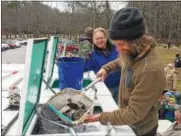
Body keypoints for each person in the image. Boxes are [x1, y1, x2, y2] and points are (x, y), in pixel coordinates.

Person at [84, 7, 166, 136]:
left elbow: (134, 113)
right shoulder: (136, 52)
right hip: (130, 122)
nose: (117, 49)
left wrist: (100, 117)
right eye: (115, 43)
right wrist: (106, 68)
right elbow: (122, 61)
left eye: (120, 44)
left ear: (135, 41)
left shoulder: (149, 70)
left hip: (141, 130)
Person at [84, 27, 121, 103]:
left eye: (101, 38)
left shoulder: (117, 49)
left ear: (106, 38)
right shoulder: (92, 55)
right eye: (97, 39)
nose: (99, 40)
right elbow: (83, 67)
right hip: (103, 89)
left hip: (120, 88)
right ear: (93, 40)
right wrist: (70, 59)